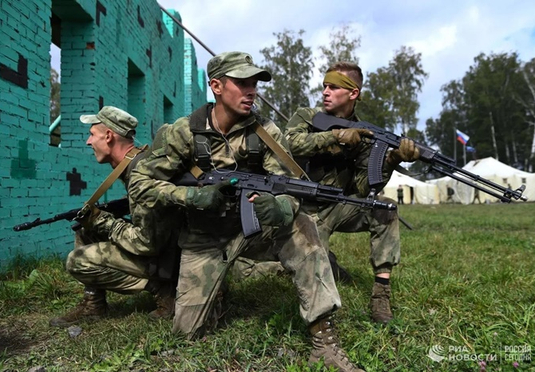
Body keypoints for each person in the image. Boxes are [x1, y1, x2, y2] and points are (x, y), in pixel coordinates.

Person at [128, 52, 365, 372]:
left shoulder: (266, 132)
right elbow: (140, 183)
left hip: (253, 229)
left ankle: (323, 338)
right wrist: (191, 197)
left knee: (303, 225)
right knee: (188, 333)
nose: (251, 90)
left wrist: (279, 207)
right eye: (241, 83)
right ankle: (220, 288)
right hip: (205, 237)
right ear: (216, 86)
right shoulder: (184, 132)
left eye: (254, 82)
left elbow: (292, 188)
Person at [243, 62, 420, 324]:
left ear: (353, 94)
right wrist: (334, 137)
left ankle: (381, 295)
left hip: (338, 206)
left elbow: (362, 187)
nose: (325, 91)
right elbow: (289, 143)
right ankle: (285, 266)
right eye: (325, 86)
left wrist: (392, 160)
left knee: (386, 208)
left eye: (334, 87)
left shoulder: (367, 134)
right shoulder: (308, 116)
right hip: (301, 208)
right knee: (307, 269)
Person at [49, 106, 180, 328]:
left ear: (109, 136)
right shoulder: (136, 162)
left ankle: (166, 291)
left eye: (92, 135)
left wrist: (104, 221)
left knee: (77, 260)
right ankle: (94, 305)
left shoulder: (140, 172)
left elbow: (147, 243)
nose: (88, 142)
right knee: (85, 230)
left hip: (174, 257)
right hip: (169, 248)